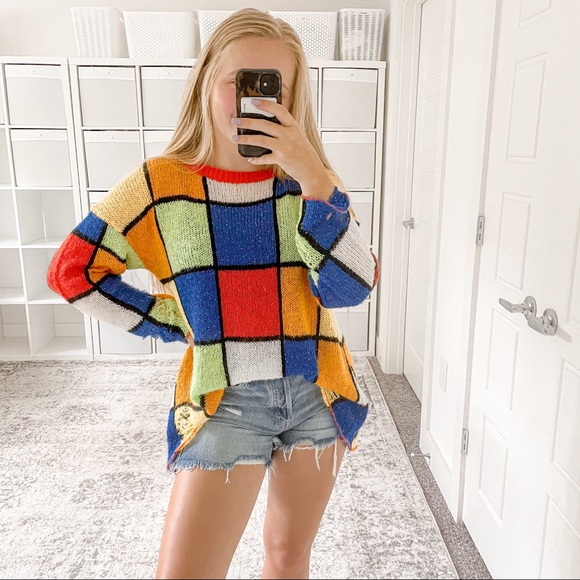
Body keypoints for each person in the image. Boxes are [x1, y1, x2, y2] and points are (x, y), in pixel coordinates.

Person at [47, 8, 379, 579]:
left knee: (288, 557)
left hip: (318, 390)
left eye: (274, 89)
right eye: (241, 82)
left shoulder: (312, 185)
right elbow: (73, 271)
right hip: (225, 400)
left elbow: (351, 289)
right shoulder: (161, 184)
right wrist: (176, 321)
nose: (256, 102)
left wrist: (315, 180)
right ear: (205, 81)